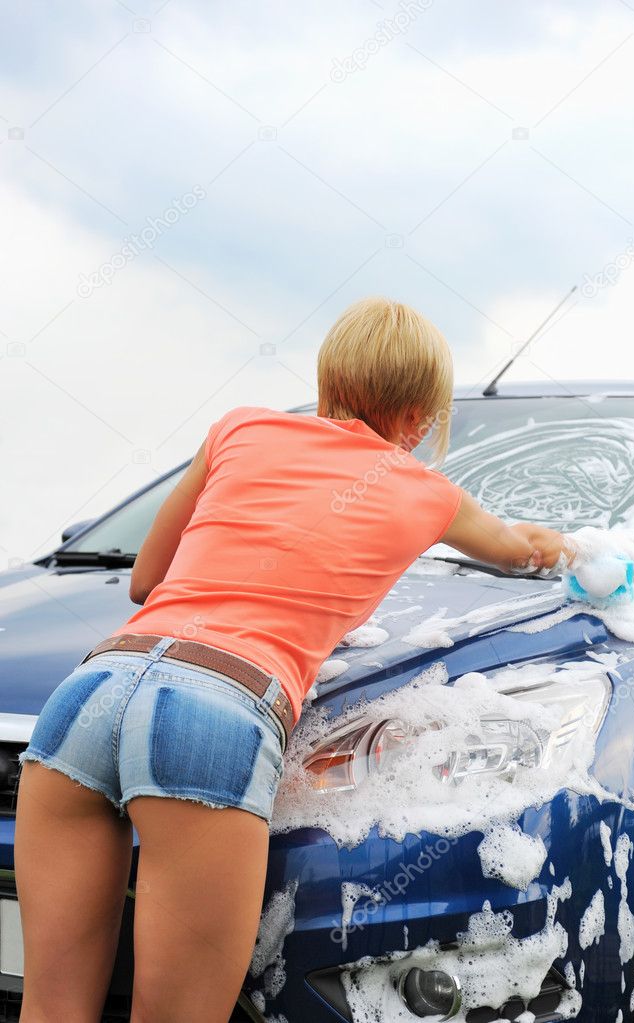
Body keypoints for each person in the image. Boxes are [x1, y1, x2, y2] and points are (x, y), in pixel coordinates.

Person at [14, 296, 570, 1022]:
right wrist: (572, 548)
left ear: (329, 380)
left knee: (51, 1008)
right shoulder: (425, 492)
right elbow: (518, 550)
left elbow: (148, 580)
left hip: (90, 691)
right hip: (213, 710)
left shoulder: (240, 427)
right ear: (418, 416)